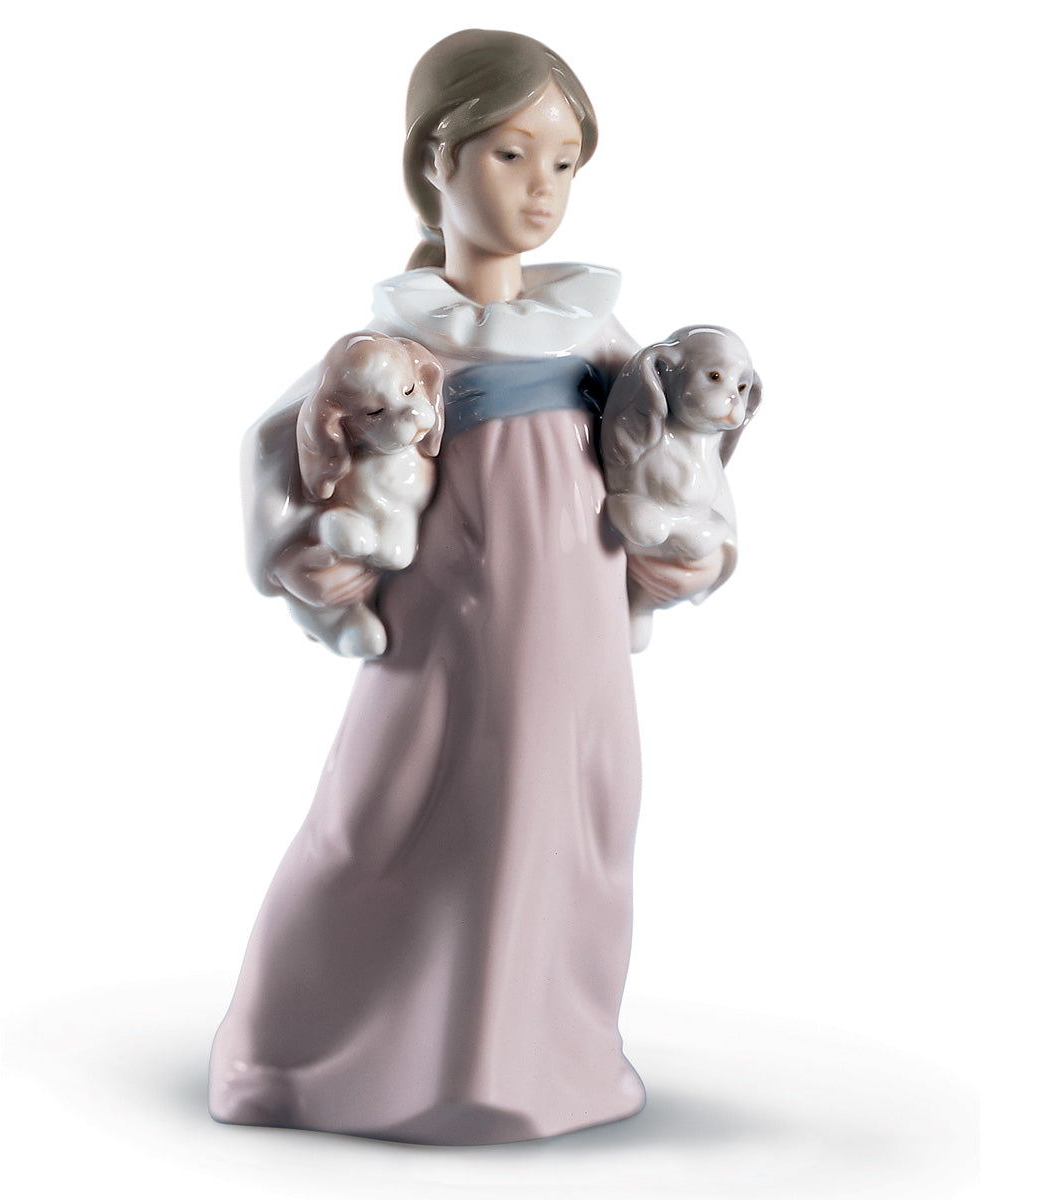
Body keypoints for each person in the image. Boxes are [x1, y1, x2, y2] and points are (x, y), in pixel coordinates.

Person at [211, 29, 733, 1145]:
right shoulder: (404, 338)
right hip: (449, 620)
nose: (542, 187)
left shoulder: (585, 327)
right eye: (509, 153)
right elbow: (280, 441)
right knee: (393, 813)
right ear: (435, 162)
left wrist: (686, 535)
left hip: (576, 609)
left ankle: (538, 1055)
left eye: (564, 161)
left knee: (571, 811)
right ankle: (309, 1051)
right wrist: (318, 546)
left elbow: (671, 442)